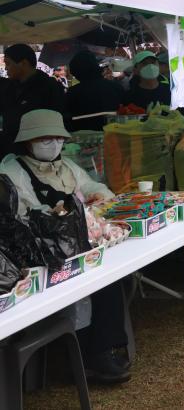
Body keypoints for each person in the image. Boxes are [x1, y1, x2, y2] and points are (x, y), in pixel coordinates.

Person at [0, 109, 129, 384]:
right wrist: (57, 212)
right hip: (41, 255)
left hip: (78, 245)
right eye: (44, 138)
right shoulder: (11, 172)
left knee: (115, 275)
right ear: (28, 141)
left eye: (57, 138)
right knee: (94, 284)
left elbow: (91, 184)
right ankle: (90, 357)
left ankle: (107, 346)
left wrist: (98, 196)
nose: (53, 144)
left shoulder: (67, 166)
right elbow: (18, 217)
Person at [1, 44, 67, 157]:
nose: (6, 68)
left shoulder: (49, 87)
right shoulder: (9, 86)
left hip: (38, 155)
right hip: (10, 153)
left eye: (8, 63)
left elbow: (59, 122)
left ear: (23, 63)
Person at [66, 50, 124, 132]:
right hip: (115, 135)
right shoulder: (116, 87)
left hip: (85, 140)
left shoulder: (73, 93)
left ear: (76, 72)